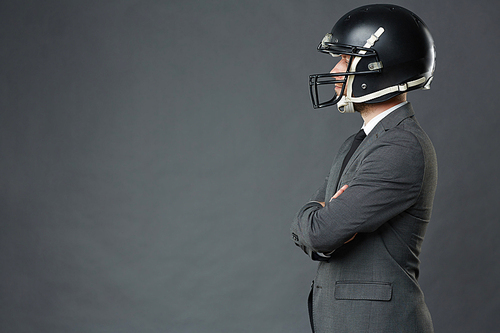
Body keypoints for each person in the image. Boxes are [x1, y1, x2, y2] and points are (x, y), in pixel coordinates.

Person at [290, 4, 438, 332]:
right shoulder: (359, 143)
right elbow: (312, 227)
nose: (334, 70)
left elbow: (320, 232)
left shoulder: (401, 147)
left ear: (378, 67)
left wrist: (326, 220)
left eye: (344, 58)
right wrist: (323, 218)